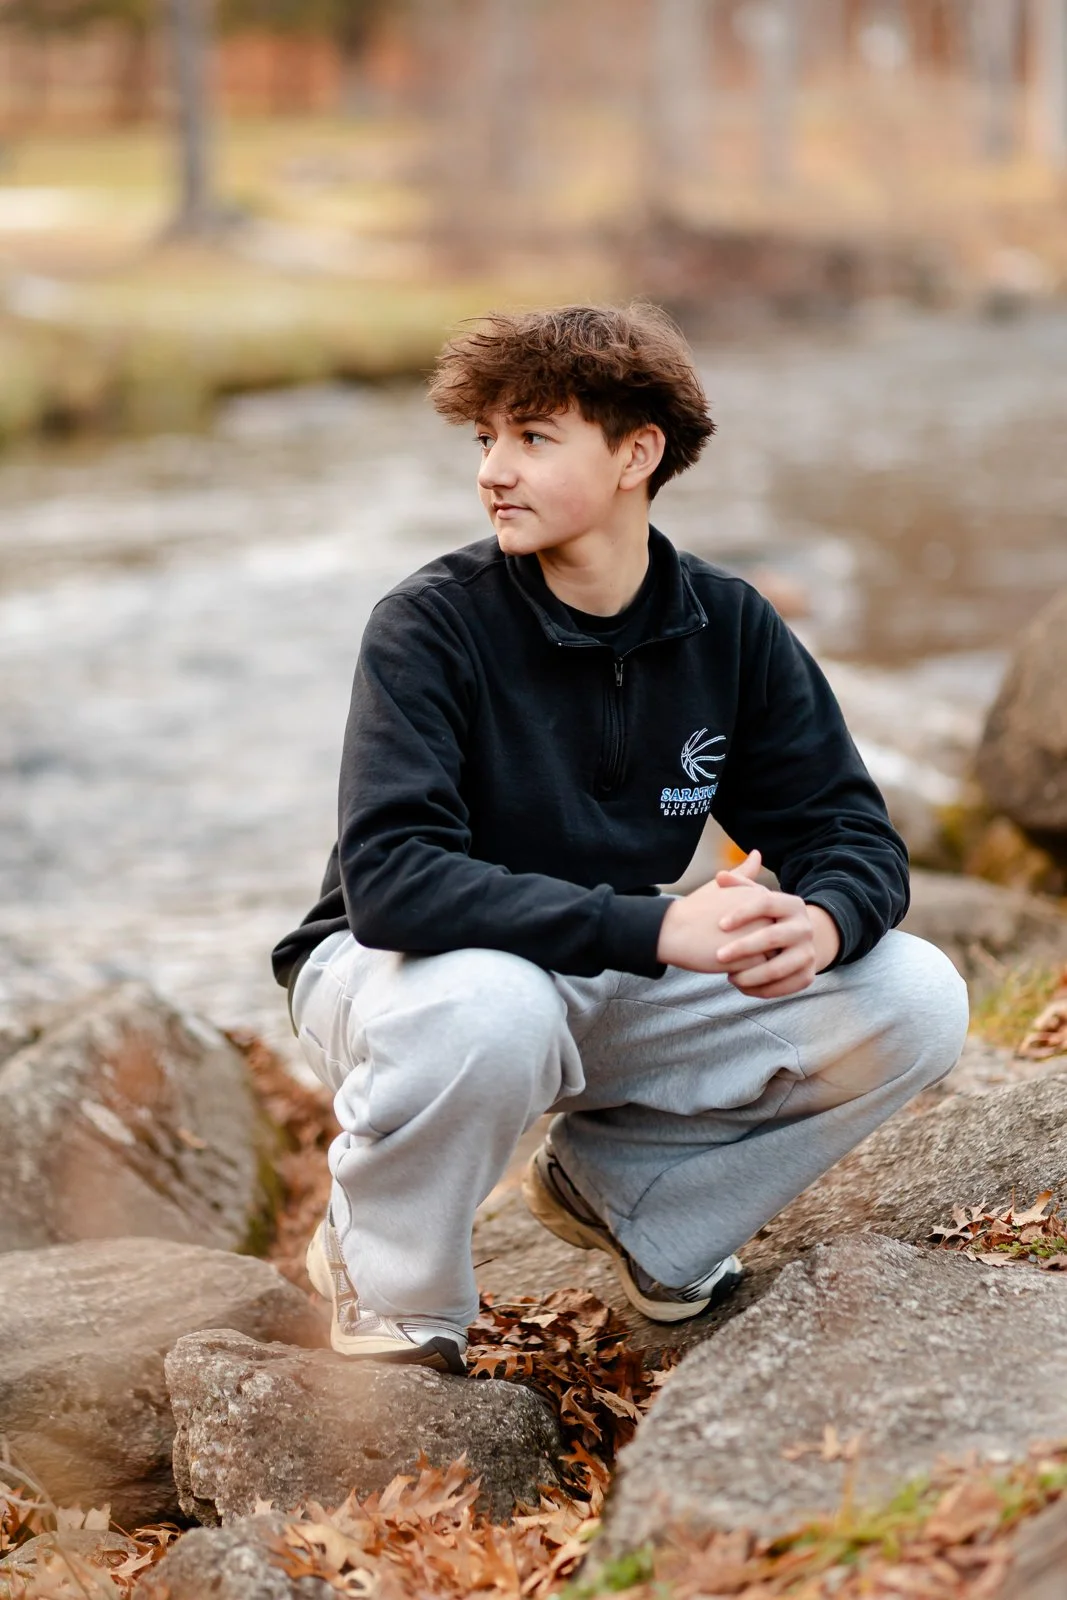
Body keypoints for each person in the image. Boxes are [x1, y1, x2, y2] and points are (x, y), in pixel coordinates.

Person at [271, 303, 969, 1377]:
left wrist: (824, 921)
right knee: (488, 1005)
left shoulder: (728, 627)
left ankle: (637, 1200)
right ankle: (391, 1279)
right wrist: (659, 928)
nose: (493, 471)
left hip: (597, 972)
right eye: (484, 440)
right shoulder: (429, 624)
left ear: (635, 452)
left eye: (533, 438)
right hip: (394, 974)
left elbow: (844, 829)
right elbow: (391, 883)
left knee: (913, 996)